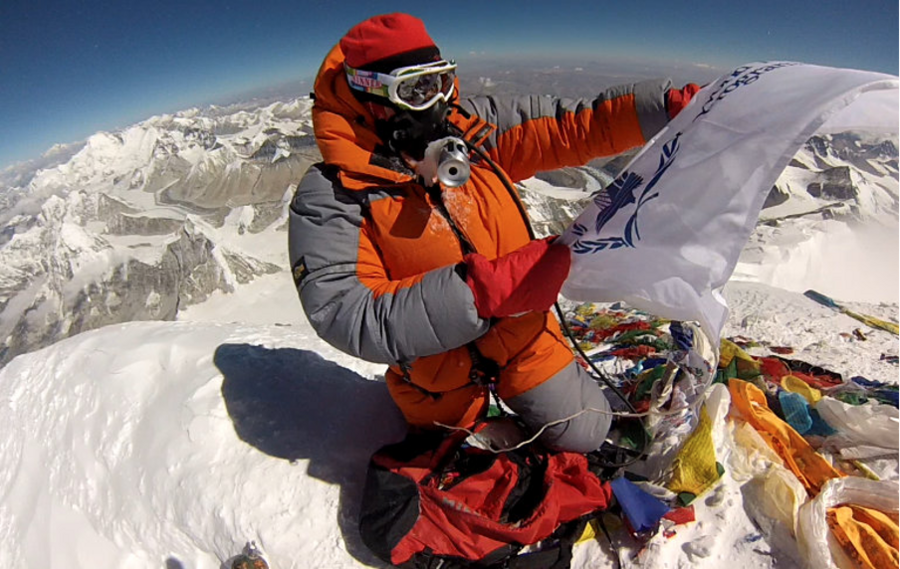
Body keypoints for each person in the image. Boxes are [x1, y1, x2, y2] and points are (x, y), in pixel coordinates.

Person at [288, 13, 699, 452]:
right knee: (459, 458)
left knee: (588, 436)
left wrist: (664, 108)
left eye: (443, 83)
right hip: (436, 380)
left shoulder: (472, 131)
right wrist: (478, 295)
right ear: (369, 97)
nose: (439, 104)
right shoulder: (334, 195)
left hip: (523, 339)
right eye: (416, 89)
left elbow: (571, 126)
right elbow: (346, 313)